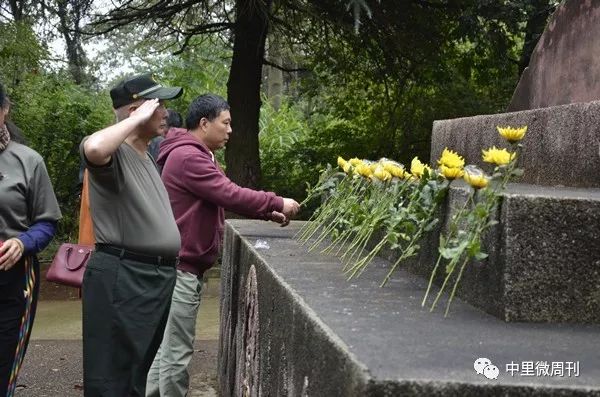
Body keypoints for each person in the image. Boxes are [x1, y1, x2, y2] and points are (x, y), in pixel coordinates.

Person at [146, 94, 300, 396]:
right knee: (175, 355)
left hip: (176, 266)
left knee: (164, 353)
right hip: (181, 270)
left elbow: (219, 195)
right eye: (225, 123)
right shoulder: (190, 157)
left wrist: (268, 212)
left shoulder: (193, 154)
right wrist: (276, 200)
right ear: (204, 123)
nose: (230, 131)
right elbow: (229, 193)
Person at [80, 73, 184, 396]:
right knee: (111, 384)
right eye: (158, 105)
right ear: (134, 111)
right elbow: (94, 148)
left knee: (134, 380)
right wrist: (135, 118)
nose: (165, 112)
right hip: (125, 278)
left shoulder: (147, 155)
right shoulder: (115, 157)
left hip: (150, 279)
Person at [0, 82, 61, 396]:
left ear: (5, 109)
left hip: (13, 279)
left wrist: (22, 242)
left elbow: (46, 222)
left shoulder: (28, 161)